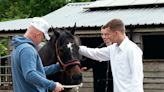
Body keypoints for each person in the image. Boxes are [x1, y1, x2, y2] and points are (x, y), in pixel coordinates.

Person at [79, 19, 143, 92]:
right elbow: (96, 53)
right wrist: (76, 47)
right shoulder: (113, 49)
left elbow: (137, 77)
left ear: (116, 33)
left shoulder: (132, 50)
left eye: (108, 34)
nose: (106, 37)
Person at [11, 17, 64, 92]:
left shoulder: (18, 47)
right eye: (43, 36)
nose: (42, 40)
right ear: (37, 34)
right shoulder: (27, 49)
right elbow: (30, 74)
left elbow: (37, 71)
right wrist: (52, 85)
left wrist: (57, 67)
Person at [81, 27, 113, 92]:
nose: (103, 37)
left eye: (106, 34)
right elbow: (86, 63)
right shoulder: (98, 50)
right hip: (100, 87)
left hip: (115, 87)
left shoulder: (120, 50)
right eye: (102, 34)